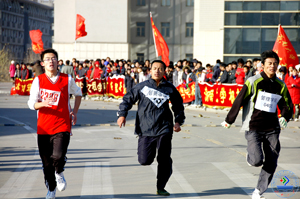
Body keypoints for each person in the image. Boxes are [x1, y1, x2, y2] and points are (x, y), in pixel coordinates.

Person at [221, 50, 293, 199]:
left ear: (278, 65)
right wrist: (229, 119)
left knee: (272, 160)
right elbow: (239, 99)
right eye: (269, 63)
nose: (272, 66)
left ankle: (258, 191)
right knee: (256, 161)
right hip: (253, 126)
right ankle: (251, 156)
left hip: (272, 128)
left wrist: (285, 117)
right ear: (263, 65)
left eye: (275, 64)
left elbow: (287, 105)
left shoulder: (281, 85)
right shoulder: (253, 81)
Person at [117, 60, 185, 196]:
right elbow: (127, 100)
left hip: (164, 128)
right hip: (145, 128)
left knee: (164, 158)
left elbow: (178, 106)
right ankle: (153, 157)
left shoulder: (169, 88)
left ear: (164, 71)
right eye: (154, 68)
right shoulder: (142, 87)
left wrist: (178, 121)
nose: (157, 71)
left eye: (160, 69)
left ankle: (161, 186)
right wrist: (122, 115)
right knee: (144, 160)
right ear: (150, 70)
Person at [27, 49, 82, 199]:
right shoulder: (38, 81)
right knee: (46, 163)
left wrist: (74, 112)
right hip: (43, 127)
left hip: (62, 125)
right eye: (47, 59)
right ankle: (51, 188)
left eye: (54, 58)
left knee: (57, 156)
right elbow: (31, 104)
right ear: (43, 63)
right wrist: (43, 103)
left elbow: (78, 93)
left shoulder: (67, 79)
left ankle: (59, 172)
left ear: (58, 62)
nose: (51, 61)